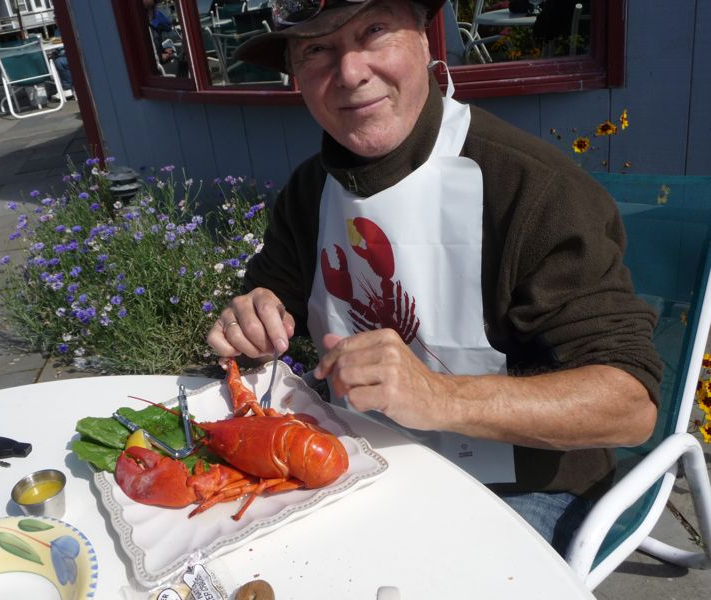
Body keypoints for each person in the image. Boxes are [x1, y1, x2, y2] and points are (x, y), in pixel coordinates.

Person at [205, 0, 662, 557]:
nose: (350, 73)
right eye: (317, 50)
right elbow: (271, 296)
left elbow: (630, 404)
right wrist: (250, 317)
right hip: (361, 453)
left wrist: (441, 396)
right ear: (297, 78)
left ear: (425, 42)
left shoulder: (535, 189)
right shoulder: (309, 191)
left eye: (374, 32)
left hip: (527, 483)